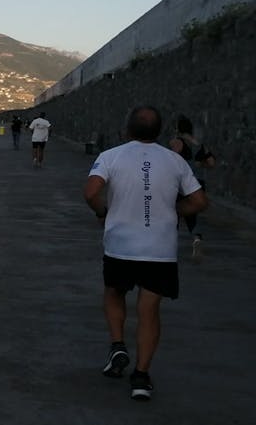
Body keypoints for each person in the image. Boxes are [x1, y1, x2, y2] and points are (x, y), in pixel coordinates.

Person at [83, 105, 208, 401]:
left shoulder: (110, 156)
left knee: (114, 293)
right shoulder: (175, 161)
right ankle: (141, 377)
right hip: (160, 251)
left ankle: (117, 345)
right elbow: (200, 201)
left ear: (128, 128)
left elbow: (90, 192)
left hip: (120, 247)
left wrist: (102, 211)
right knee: (150, 310)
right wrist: (176, 210)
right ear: (159, 131)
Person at [167, 115, 206, 257]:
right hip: (197, 182)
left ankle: (171, 242)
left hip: (181, 182)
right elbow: (210, 163)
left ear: (178, 128)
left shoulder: (177, 142)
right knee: (192, 214)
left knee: (174, 211)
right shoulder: (198, 143)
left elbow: (173, 160)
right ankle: (196, 238)